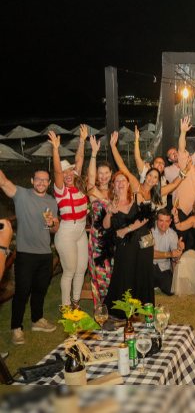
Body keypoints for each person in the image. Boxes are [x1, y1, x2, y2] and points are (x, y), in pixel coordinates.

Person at [0, 165, 59, 345]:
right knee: (22, 292)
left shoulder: (52, 201)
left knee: (40, 289)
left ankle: (37, 320)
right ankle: (16, 328)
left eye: (45, 180)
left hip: (45, 254)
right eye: (38, 179)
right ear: (32, 180)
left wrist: (52, 223)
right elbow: (3, 182)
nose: (41, 182)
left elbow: (56, 227)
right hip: (26, 254)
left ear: (49, 183)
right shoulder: (22, 195)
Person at [100, 171, 156, 319]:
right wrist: (108, 213)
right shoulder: (110, 204)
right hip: (125, 246)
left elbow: (146, 217)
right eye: (117, 181)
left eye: (123, 180)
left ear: (128, 183)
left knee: (143, 274)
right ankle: (126, 310)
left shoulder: (137, 197)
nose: (120, 183)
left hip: (143, 242)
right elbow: (105, 226)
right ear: (113, 185)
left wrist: (126, 230)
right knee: (125, 274)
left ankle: (145, 309)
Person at [47, 131, 89, 312]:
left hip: (81, 230)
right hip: (66, 232)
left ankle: (76, 302)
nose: (67, 173)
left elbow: (79, 159)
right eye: (64, 172)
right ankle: (65, 306)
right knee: (69, 270)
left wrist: (82, 141)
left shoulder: (77, 183)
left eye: (69, 170)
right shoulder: (60, 189)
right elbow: (57, 171)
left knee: (81, 268)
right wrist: (55, 150)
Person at [110, 131, 189, 210]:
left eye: (155, 177)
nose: (152, 178)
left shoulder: (158, 191)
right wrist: (113, 146)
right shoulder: (136, 186)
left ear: (157, 181)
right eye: (150, 175)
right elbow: (121, 165)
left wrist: (186, 169)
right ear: (145, 176)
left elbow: (174, 184)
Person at [86, 137, 114, 305]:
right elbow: (90, 177)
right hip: (97, 238)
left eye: (106, 173)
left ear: (111, 174)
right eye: (100, 173)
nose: (103, 176)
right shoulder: (93, 192)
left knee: (112, 271)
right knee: (99, 272)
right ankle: (101, 308)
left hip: (113, 237)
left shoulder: (115, 193)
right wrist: (94, 153)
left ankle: (112, 306)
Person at [152, 209, 184, 296]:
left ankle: (156, 282)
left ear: (170, 222)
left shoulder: (173, 234)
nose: (164, 224)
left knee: (171, 291)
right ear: (156, 220)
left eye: (167, 221)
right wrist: (169, 254)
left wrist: (179, 250)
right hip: (148, 266)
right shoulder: (149, 231)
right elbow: (150, 254)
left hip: (163, 267)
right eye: (161, 220)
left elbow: (175, 258)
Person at [134, 126, 168, 207]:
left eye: (162, 163)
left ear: (164, 167)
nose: (160, 164)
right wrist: (136, 140)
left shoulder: (163, 177)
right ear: (152, 165)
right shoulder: (146, 171)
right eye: (157, 162)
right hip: (148, 209)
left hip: (163, 209)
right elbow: (137, 159)